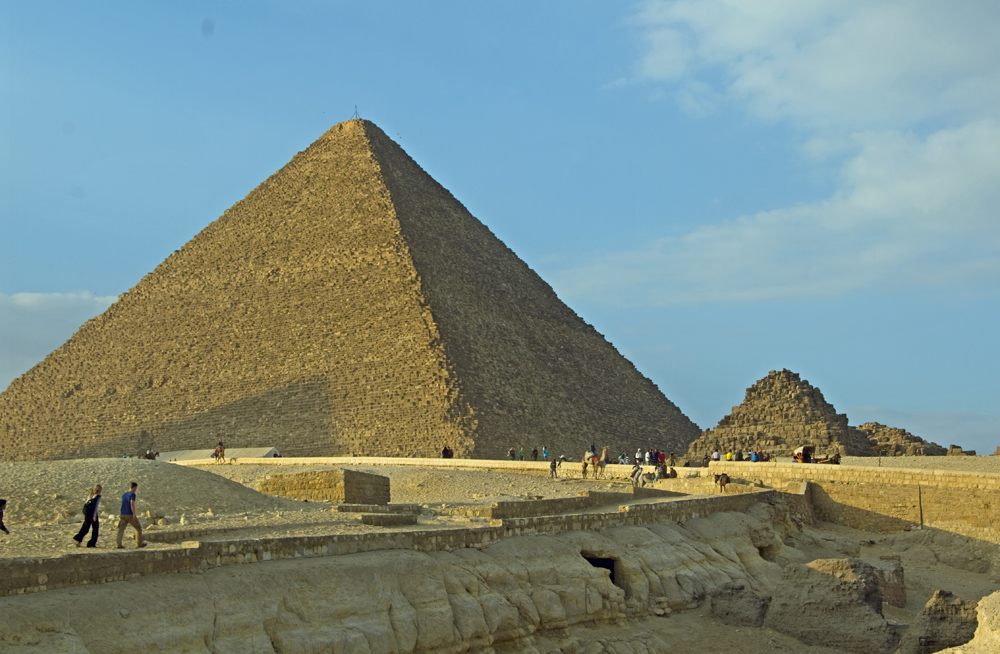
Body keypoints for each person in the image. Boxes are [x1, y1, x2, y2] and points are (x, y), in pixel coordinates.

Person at [116, 482, 146, 549]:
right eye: (136, 488)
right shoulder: (132, 494)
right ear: (134, 487)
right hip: (129, 514)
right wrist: (134, 513)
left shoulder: (124, 495)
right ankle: (139, 543)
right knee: (138, 528)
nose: (136, 490)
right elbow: (132, 503)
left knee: (121, 529)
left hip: (122, 514)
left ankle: (118, 544)